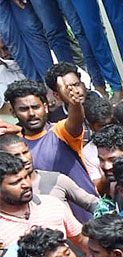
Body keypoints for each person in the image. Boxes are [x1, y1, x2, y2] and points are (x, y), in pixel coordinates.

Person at [6, 74, 93, 202]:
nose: (31, 114)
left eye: (36, 107)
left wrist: (74, 104)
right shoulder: (14, 146)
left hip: (88, 211)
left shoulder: (59, 131)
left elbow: (75, 121)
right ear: (13, 112)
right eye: (23, 109)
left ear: (45, 107)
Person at [0, 133, 97, 224]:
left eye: (25, 152)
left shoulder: (57, 179)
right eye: (15, 156)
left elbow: (93, 204)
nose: (24, 159)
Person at [0, 152, 81, 253]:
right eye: (16, 182)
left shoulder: (52, 204)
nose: (26, 184)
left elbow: (82, 241)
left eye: (26, 177)